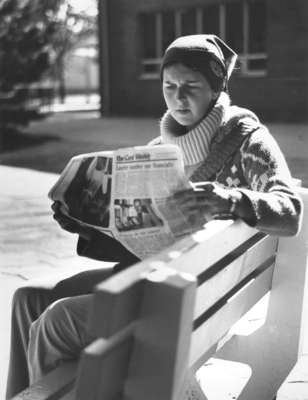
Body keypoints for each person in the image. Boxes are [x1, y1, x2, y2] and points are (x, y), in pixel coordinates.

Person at [6, 34, 303, 399]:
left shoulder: (246, 139)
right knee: (27, 299)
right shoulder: (156, 152)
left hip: (190, 298)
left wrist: (230, 199)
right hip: (155, 280)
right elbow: (140, 239)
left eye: (191, 86)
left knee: (56, 321)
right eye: (169, 85)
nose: (178, 97)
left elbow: (290, 210)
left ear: (215, 88)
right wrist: (84, 221)